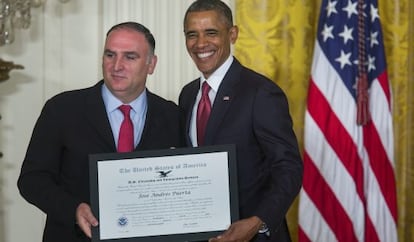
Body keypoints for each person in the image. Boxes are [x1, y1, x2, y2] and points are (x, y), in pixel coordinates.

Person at [17, 22, 183, 242]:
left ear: (151, 64)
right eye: (110, 55)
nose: (116, 66)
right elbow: (32, 180)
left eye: (130, 57)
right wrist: (74, 209)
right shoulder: (62, 109)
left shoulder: (172, 115)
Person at [178, 0, 303, 241]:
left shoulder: (261, 92)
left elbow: (288, 168)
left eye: (211, 33)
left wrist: (257, 222)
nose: (200, 43)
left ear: (232, 34)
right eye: (192, 35)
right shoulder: (188, 94)